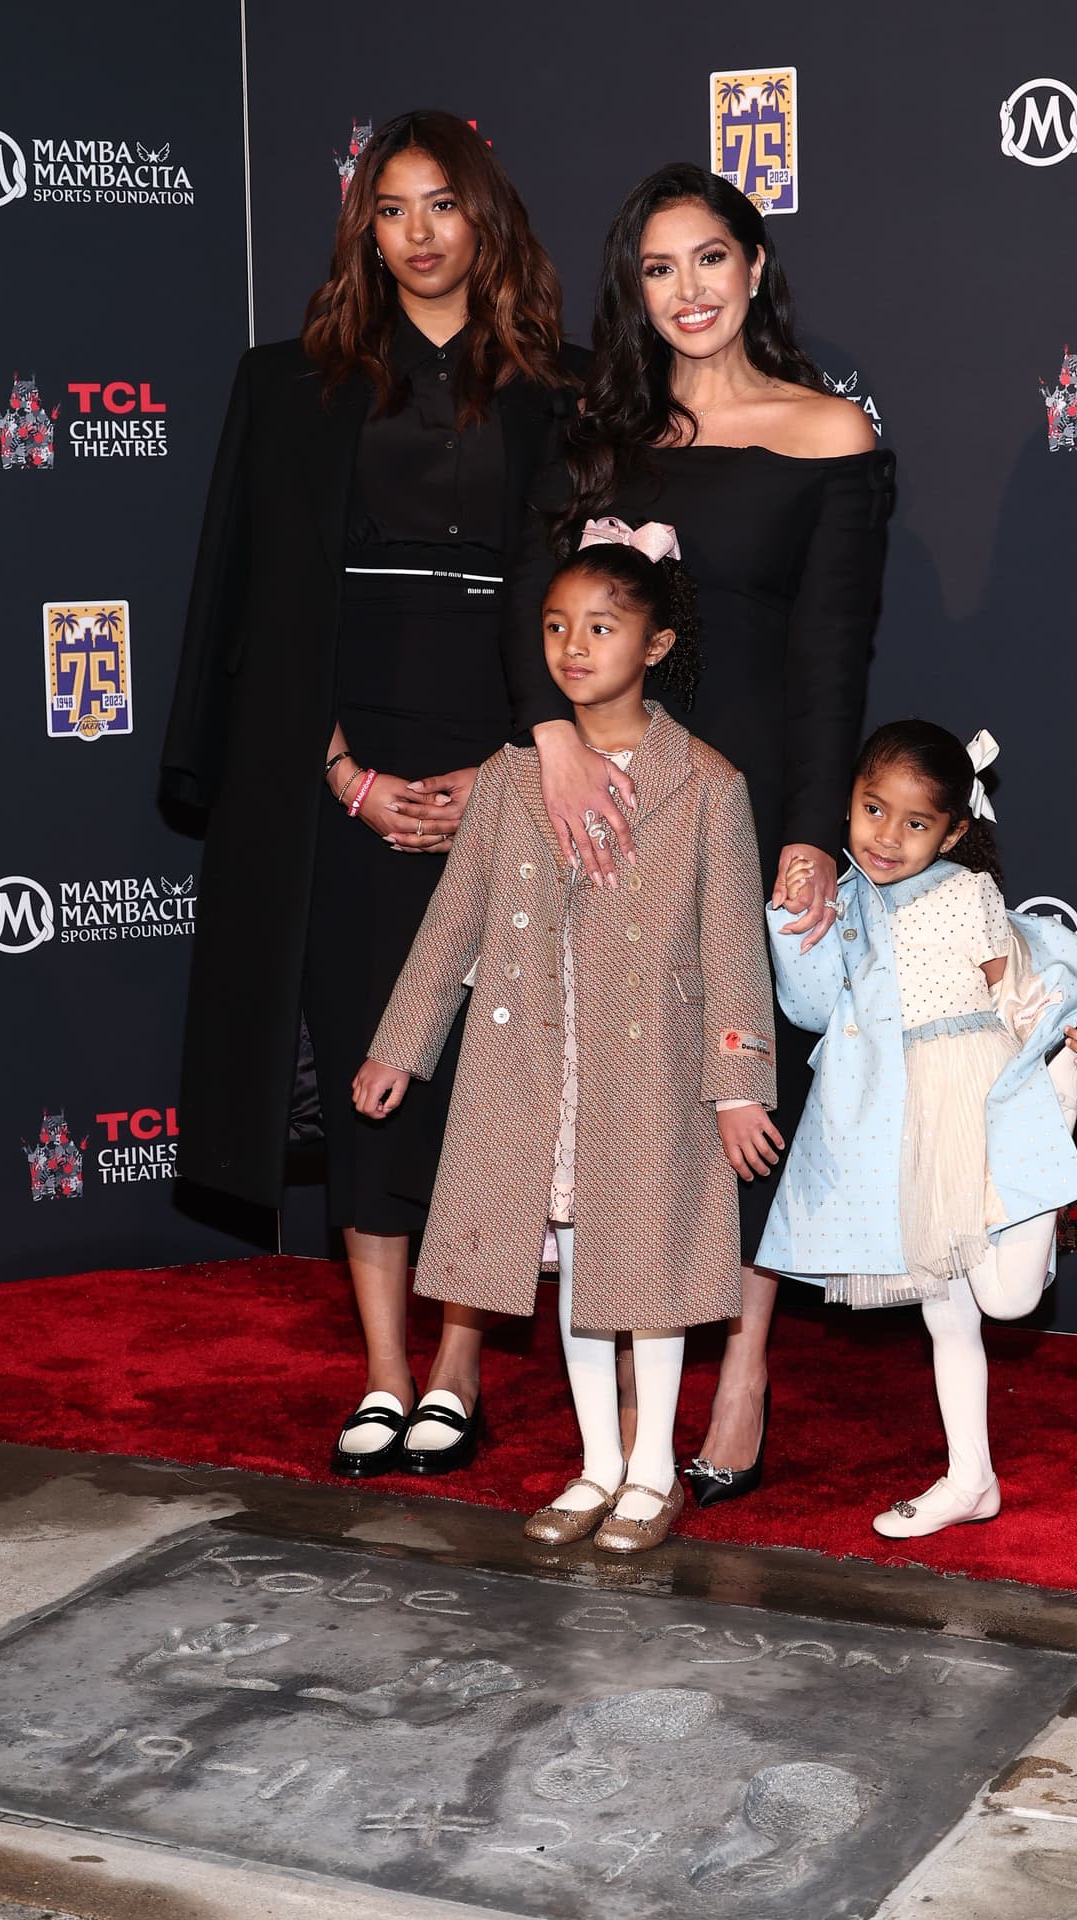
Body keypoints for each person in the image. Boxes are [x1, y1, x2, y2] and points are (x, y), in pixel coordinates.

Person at [160, 111, 585, 1479]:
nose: (417, 231)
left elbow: (588, 615)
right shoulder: (287, 385)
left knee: (484, 1076)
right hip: (338, 767)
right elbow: (250, 609)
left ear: (486, 223)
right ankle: (388, 1371)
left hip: (502, 758)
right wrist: (338, 774)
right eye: (391, 207)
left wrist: (516, 768)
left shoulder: (559, 394)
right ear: (364, 231)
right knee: (370, 1078)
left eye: (441, 204)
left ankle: (462, 1363)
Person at [499, 162, 895, 1503]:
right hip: (603, 807)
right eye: (659, 269)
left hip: (743, 797)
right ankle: (621, 1392)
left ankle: (742, 1368)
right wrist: (550, 743)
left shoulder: (828, 437)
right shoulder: (594, 439)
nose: (689, 291)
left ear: (756, 267)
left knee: (735, 1093)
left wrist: (811, 832)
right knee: (618, 1094)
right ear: (635, 290)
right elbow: (529, 613)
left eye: (711, 259)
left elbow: (834, 656)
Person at [353, 529, 778, 1549]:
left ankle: (648, 1471)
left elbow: (733, 953)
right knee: (582, 1279)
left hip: (652, 1071)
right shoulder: (508, 776)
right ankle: (592, 1467)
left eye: (601, 627)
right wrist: (397, 1047)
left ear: (655, 641)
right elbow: (453, 918)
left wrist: (737, 1085)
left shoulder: (708, 783)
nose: (573, 647)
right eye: (555, 627)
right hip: (537, 1066)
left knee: (650, 1275)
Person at [758, 720, 1077, 1538]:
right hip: (905, 1122)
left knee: (1007, 1295)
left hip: (989, 1094)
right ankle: (971, 1479)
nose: (887, 837)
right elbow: (811, 1010)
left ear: (955, 830)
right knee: (947, 1312)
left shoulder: (968, 893)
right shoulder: (839, 898)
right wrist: (791, 919)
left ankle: (1046, 1158)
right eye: (871, 810)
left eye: (915, 822)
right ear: (845, 804)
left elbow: (1028, 992)